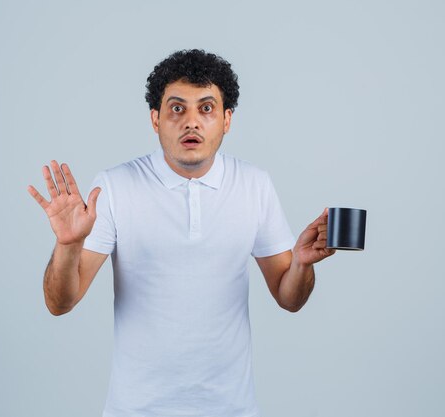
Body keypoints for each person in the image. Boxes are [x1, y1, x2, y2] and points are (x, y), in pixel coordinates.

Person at [28, 49, 335, 417]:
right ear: (155, 119)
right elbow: (60, 303)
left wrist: (301, 265)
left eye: (206, 108)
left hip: (232, 409)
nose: (191, 121)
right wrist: (68, 244)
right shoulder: (115, 186)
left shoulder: (255, 185)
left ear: (227, 120)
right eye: (177, 109)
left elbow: (290, 299)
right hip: (136, 410)